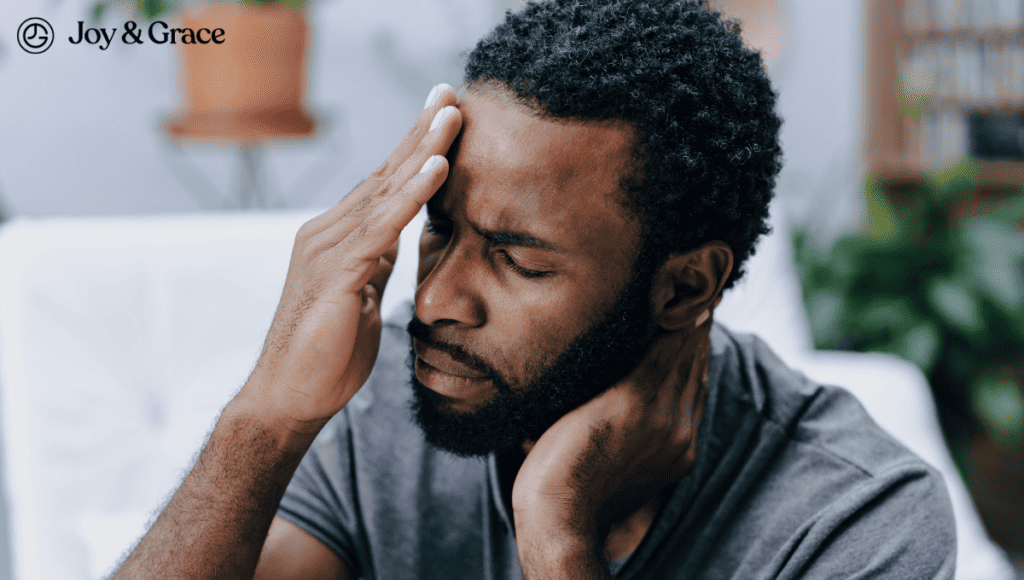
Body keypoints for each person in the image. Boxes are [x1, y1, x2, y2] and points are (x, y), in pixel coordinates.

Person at [112, 1, 957, 578]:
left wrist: (555, 532)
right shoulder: (381, 411)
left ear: (686, 287)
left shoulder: (853, 515)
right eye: (441, 227)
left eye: (519, 260)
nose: (440, 300)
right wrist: (266, 415)